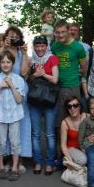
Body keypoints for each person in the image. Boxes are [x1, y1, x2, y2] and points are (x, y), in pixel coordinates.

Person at [0, 51, 27, 181]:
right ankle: (0, 166)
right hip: (0, 116)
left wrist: (11, 85)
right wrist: (0, 87)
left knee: (15, 142)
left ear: (12, 64)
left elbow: (19, 100)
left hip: (15, 115)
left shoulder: (18, 79)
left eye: (8, 62)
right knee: (0, 142)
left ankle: (15, 167)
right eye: (2, 62)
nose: (5, 65)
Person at [28, 35, 60, 175]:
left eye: (42, 46)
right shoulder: (31, 60)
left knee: (50, 134)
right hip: (34, 100)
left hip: (49, 100)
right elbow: (28, 78)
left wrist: (42, 74)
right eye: (37, 46)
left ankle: (49, 162)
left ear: (46, 46)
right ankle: (37, 162)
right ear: (34, 47)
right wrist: (35, 74)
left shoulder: (52, 58)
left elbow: (55, 79)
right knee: (35, 134)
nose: (40, 48)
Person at [51, 20, 87, 123]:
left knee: (74, 119)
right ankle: (61, 139)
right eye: (58, 32)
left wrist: (71, 72)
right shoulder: (55, 46)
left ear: (68, 31)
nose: (60, 35)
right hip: (57, 86)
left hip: (72, 86)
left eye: (63, 32)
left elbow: (84, 68)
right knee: (60, 120)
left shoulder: (78, 47)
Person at [61, 96, 89, 166]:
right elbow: (63, 145)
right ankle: (67, 160)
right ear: (67, 109)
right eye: (69, 106)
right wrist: (70, 162)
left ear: (80, 107)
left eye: (75, 105)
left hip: (85, 146)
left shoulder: (87, 117)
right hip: (72, 148)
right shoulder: (64, 123)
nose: (72, 108)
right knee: (83, 160)